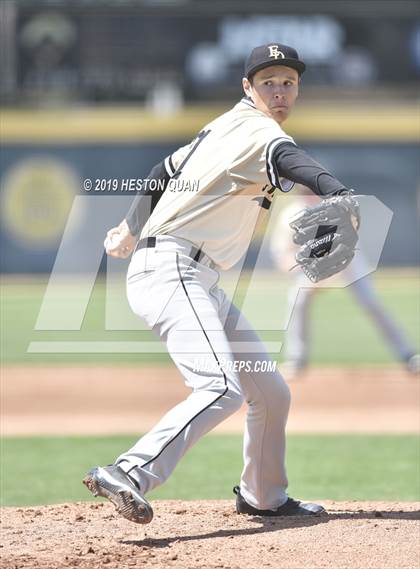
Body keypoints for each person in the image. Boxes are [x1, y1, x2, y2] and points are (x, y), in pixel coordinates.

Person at [83, 43, 355, 524]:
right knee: (220, 386)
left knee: (270, 393)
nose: (279, 90)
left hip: (191, 276)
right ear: (248, 87)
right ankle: (129, 470)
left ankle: (263, 496)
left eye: (288, 82)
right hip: (173, 271)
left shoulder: (221, 126)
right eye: (268, 81)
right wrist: (338, 192)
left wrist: (129, 228)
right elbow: (295, 162)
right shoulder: (258, 132)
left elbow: (160, 172)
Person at [270, 192, 420, 380]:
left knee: (370, 302)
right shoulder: (290, 215)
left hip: (349, 262)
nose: (309, 193)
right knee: (297, 301)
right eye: (304, 190)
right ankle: (297, 360)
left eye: (312, 188)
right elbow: (282, 257)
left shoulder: (334, 207)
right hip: (315, 268)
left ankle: (407, 355)